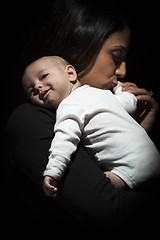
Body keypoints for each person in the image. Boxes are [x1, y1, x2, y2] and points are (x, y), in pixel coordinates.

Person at [5, 0, 160, 236]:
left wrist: (137, 130)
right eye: (116, 56)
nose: (122, 71)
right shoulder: (31, 120)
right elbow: (115, 214)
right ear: (78, 48)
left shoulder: (97, 103)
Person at [22, 55, 160, 196]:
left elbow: (64, 140)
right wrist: (120, 90)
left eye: (43, 76)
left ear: (70, 73)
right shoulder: (101, 93)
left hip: (128, 169)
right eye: (31, 91)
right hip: (153, 156)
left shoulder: (68, 105)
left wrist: (53, 172)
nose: (37, 87)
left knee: (87, 191)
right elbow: (129, 103)